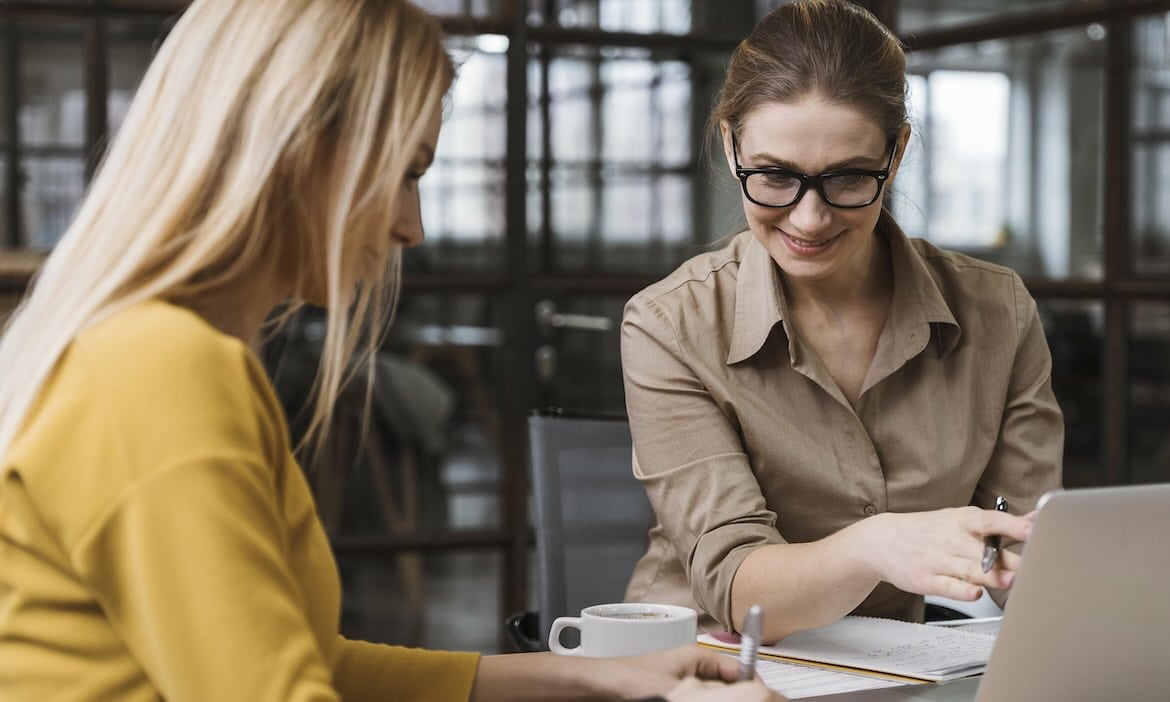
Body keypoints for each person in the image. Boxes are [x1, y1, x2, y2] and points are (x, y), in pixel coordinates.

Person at [0, 2, 783, 701]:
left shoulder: (153, 351)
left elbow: (312, 663)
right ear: (298, 145)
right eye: (405, 174)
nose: (411, 227)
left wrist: (593, 675)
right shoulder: (162, 369)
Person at [620, 0, 1063, 644]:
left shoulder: (998, 312)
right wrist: (876, 545)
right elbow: (737, 587)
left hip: (901, 667)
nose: (808, 219)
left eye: (850, 178)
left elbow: (1028, 553)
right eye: (773, 176)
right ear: (729, 143)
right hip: (709, 664)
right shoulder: (670, 325)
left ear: (898, 151)